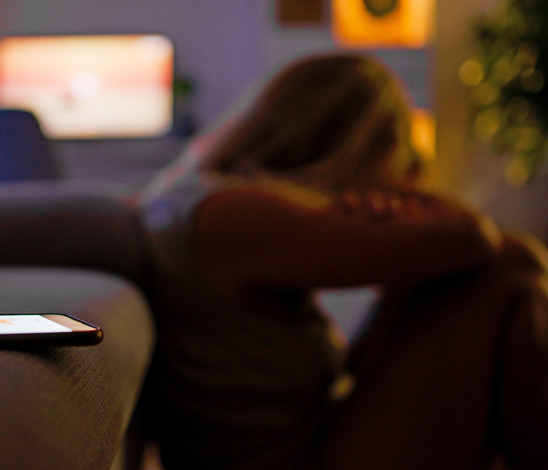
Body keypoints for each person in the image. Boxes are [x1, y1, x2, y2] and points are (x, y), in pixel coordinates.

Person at [139, 53, 548, 469]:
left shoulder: (208, 199)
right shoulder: (232, 213)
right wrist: (408, 203)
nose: (412, 174)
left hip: (309, 446)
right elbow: (473, 238)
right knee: (513, 263)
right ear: (359, 144)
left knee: (454, 275)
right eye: (403, 151)